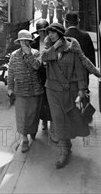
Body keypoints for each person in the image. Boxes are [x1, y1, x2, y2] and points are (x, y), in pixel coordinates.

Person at [41, 23, 88, 169]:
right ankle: (63, 151)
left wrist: (82, 89)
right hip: (52, 89)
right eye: (49, 32)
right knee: (58, 120)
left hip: (69, 90)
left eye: (53, 32)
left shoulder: (72, 48)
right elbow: (42, 58)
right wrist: (54, 47)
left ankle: (67, 145)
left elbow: (80, 70)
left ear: (60, 33)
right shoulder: (49, 48)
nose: (50, 35)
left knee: (69, 118)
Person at [7, 29, 43, 153]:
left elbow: (37, 66)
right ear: (19, 42)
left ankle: (32, 131)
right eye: (22, 41)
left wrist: (29, 54)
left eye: (26, 41)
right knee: (22, 116)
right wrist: (10, 88)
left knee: (33, 114)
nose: (24, 43)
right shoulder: (14, 55)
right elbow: (10, 73)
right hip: (20, 91)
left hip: (35, 90)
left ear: (30, 42)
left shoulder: (36, 53)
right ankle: (24, 138)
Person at [65, 11, 96, 86]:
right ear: (77, 22)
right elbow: (91, 54)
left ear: (66, 22)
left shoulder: (63, 36)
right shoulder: (85, 36)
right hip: (83, 72)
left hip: (67, 72)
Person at [31, 19, 51, 131]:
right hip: (38, 74)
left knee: (50, 99)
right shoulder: (34, 43)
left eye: (45, 31)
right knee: (40, 99)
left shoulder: (53, 41)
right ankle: (43, 120)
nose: (42, 34)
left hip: (51, 73)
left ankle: (51, 121)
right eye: (40, 31)